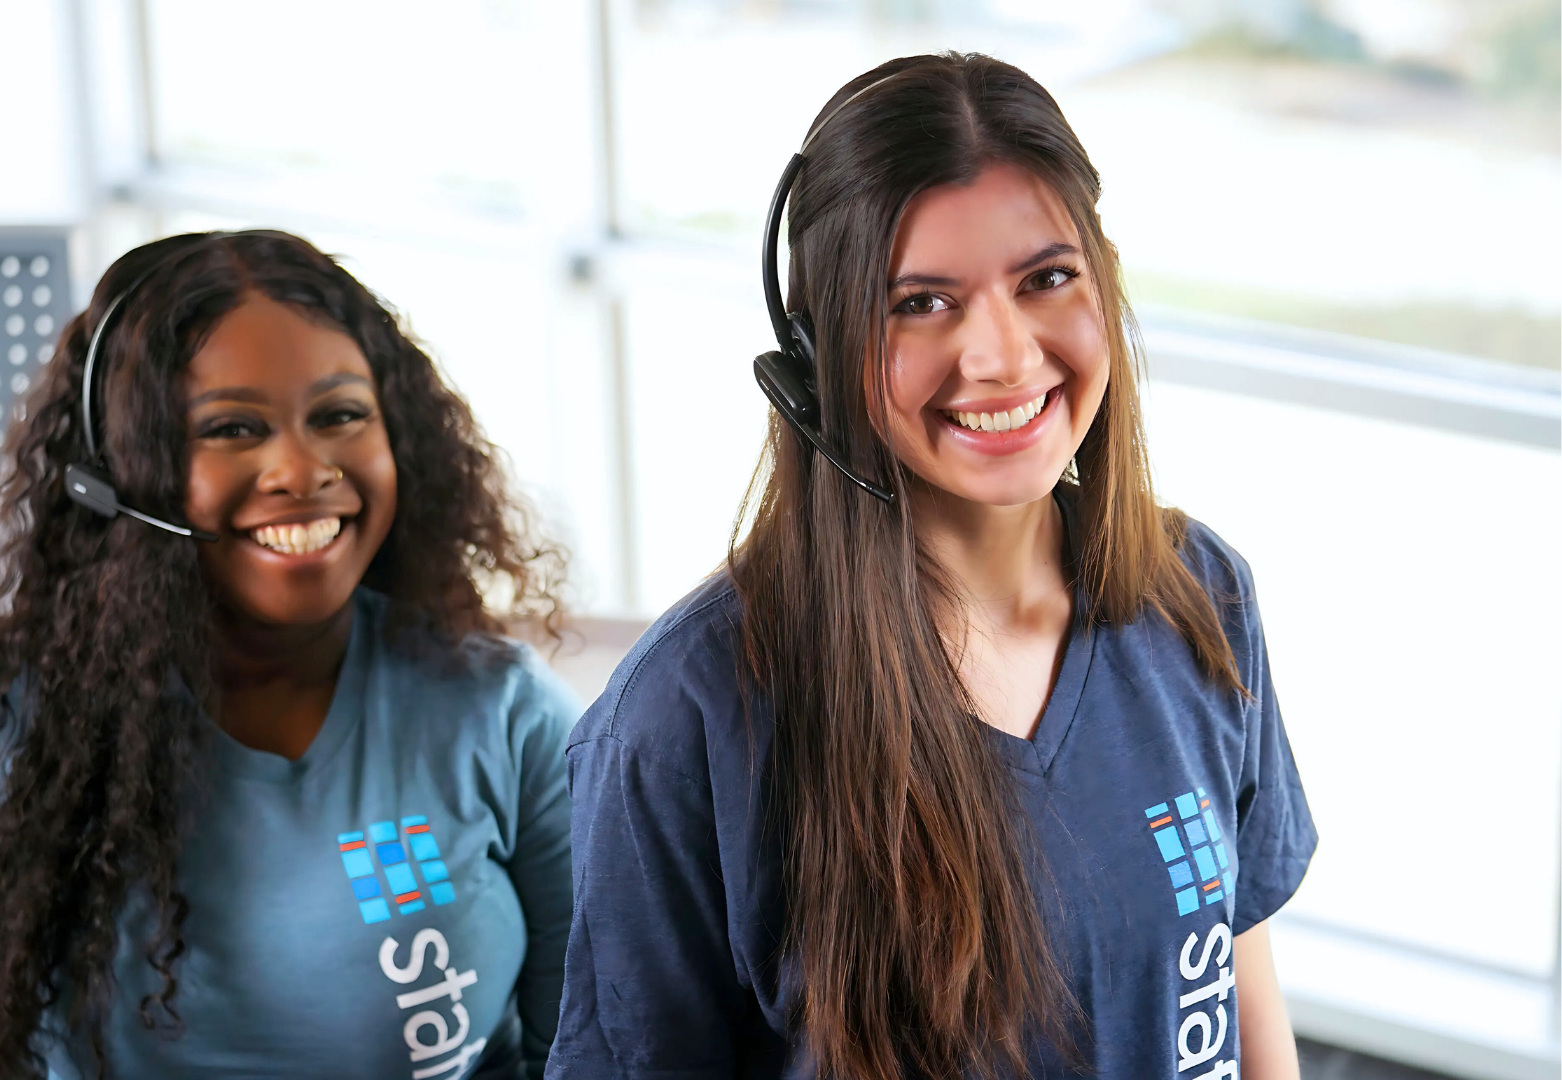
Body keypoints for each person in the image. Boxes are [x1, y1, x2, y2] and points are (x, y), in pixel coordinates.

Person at [546, 54, 1315, 1080]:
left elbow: (1235, 976)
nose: (1002, 356)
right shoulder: (685, 721)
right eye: (921, 303)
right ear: (814, 354)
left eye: (1046, 279)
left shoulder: (1198, 594)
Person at [0, 230, 579, 1079]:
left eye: (340, 414)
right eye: (233, 428)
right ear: (117, 477)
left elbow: (600, 1038)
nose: (301, 469)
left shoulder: (503, 714)